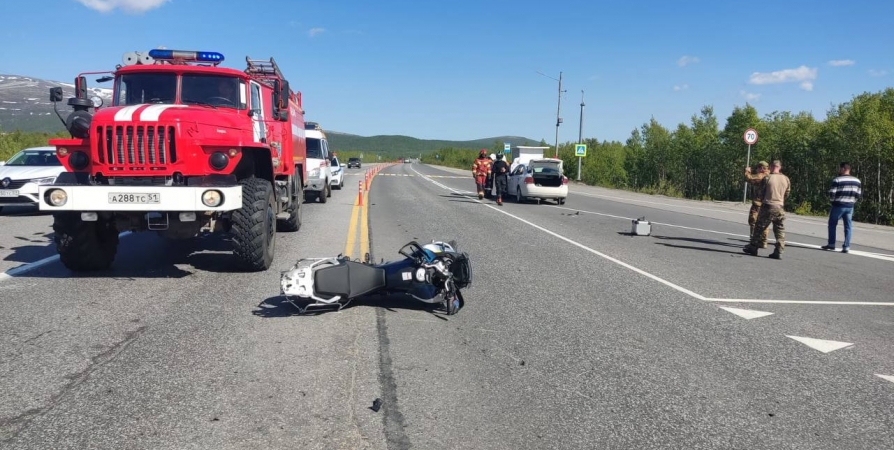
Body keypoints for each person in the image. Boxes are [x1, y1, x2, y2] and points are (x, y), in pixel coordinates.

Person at [743, 159, 791, 259]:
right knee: (779, 230)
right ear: (780, 167)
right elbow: (787, 193)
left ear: (771, 167)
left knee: (759, 227)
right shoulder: (786, 179)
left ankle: (753, 247)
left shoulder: (767, 178)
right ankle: (779, 250)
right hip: (780, 207)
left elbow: (761, 192)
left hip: (768, 206)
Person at [822, 162, 862, 253]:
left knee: (832, 224)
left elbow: (832, 193)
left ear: (844, 169)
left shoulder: (837, 180)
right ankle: (846, 246)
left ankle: (831, 244)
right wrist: (852, 202)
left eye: (840, 168)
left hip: (838, 205)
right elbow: (858, 195)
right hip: (850, 206)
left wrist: (833, 201)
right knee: (848, 226)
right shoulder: (857, 181)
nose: (839, 170)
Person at [744, 161, 770, 248]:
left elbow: (749, 179)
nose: (757, 169)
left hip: (758, 203)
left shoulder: (761, 176)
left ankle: (753, 240)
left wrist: (747, 171)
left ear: (762, 168)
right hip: (767, 203)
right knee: (764, 223)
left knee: (753, 221)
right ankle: (764, 241)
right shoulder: (771, 176)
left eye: (758, 168)